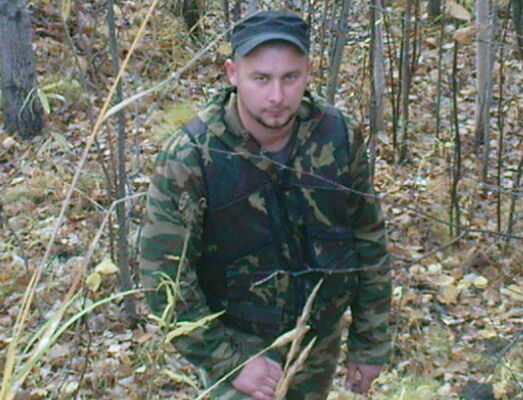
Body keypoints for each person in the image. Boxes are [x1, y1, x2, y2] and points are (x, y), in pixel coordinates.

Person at [140, 10, 391, 400]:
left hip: (319, 340)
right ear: (232, 73)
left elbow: (368, 238)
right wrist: (228, 361)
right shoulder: (192, 156)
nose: (276, 96)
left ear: (308, 72)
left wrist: (370, 343)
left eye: (290, 77)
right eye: (261, 79)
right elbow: (164, 278)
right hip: (240, 346)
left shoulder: (337, 134)